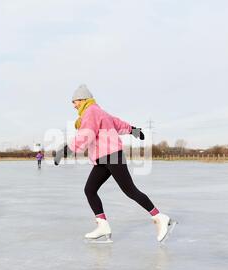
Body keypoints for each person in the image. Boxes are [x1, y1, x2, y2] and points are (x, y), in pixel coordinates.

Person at [54, 84, 177, 243]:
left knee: (130, 190)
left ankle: (160, 217)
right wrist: (133, 130)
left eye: (75, 101)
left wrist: (66, 150)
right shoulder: (98, 112)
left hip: (111, 156)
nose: (73, 105)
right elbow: (116, 123)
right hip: (102, 159)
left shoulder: (91, 111)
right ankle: (103, 225)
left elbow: (86, 135)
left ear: (83, 99)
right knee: (90, 190)